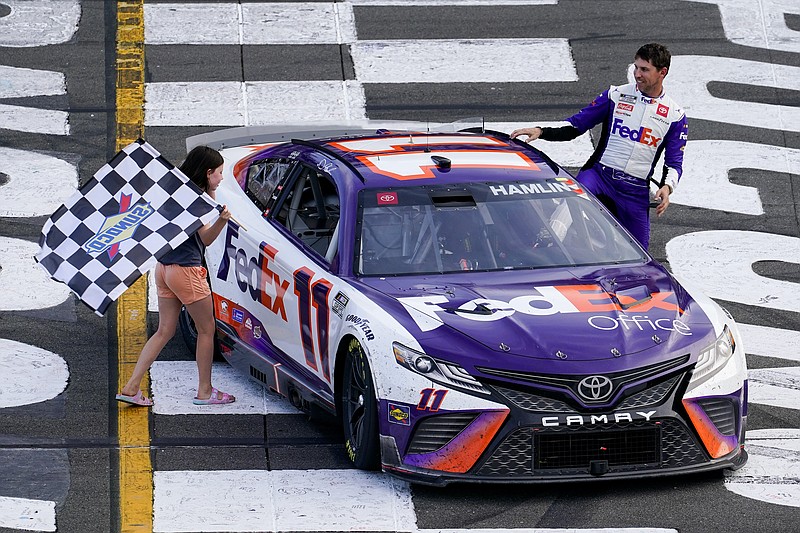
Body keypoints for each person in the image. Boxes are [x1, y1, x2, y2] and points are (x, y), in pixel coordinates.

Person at [511, 42, 688, 250]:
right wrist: (542, 131)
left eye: (644, 69)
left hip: (635, 190)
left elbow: (674, 163)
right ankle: (543, 248)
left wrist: (667, 187)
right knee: (571, 199)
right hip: (599, 176)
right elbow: (575, 125)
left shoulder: (675, 116)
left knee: (640, 253)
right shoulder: (615, 95)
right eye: (636, 67)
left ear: (662, 72)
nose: (637, 74)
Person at [116, 145, 236, 406]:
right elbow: (205, 239)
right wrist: (222, 219)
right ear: (207, 172)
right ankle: (205, 391)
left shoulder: (175, 192)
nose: (222, 177)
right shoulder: (198, 202)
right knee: (206, 330)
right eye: (218, 173)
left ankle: (131, 386)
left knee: (164, 330)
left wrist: (212, 191)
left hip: (164, 269)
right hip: (187, 272)